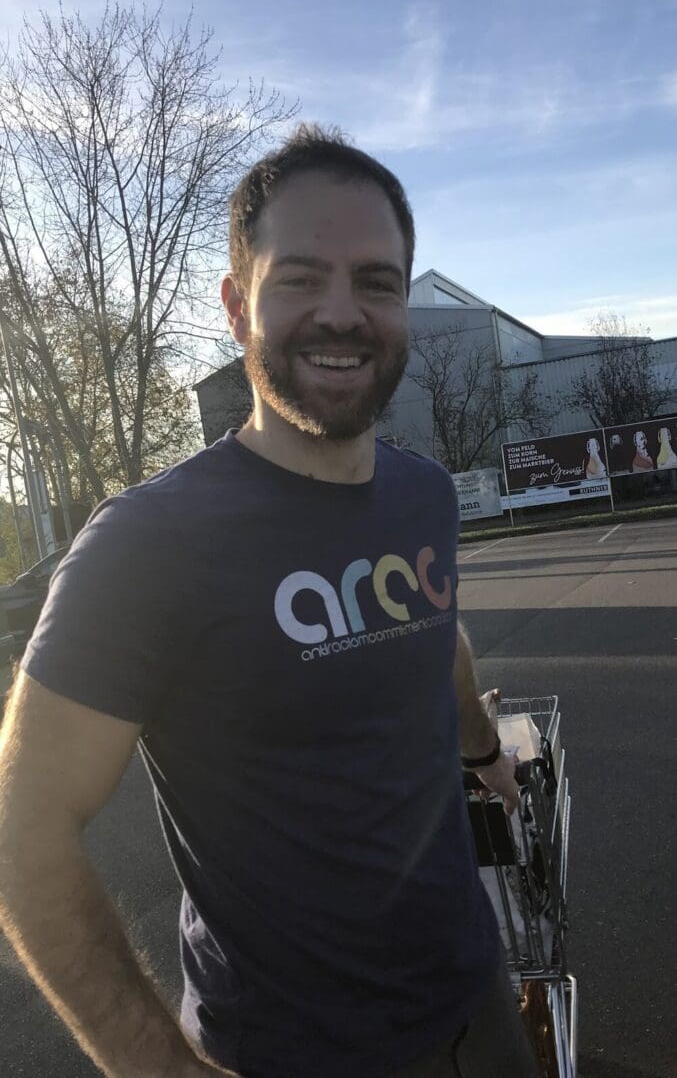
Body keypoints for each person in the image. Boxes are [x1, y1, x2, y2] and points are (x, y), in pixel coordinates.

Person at [0, 125, 539, 1078]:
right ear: (237, 307)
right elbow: (20, 829)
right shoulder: (149, 543)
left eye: (376, 281)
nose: (343, 313)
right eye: (299, 278)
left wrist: (483, 753)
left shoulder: (424, 494)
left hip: (474, 1000)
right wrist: (156, 1065)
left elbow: (432, 636)